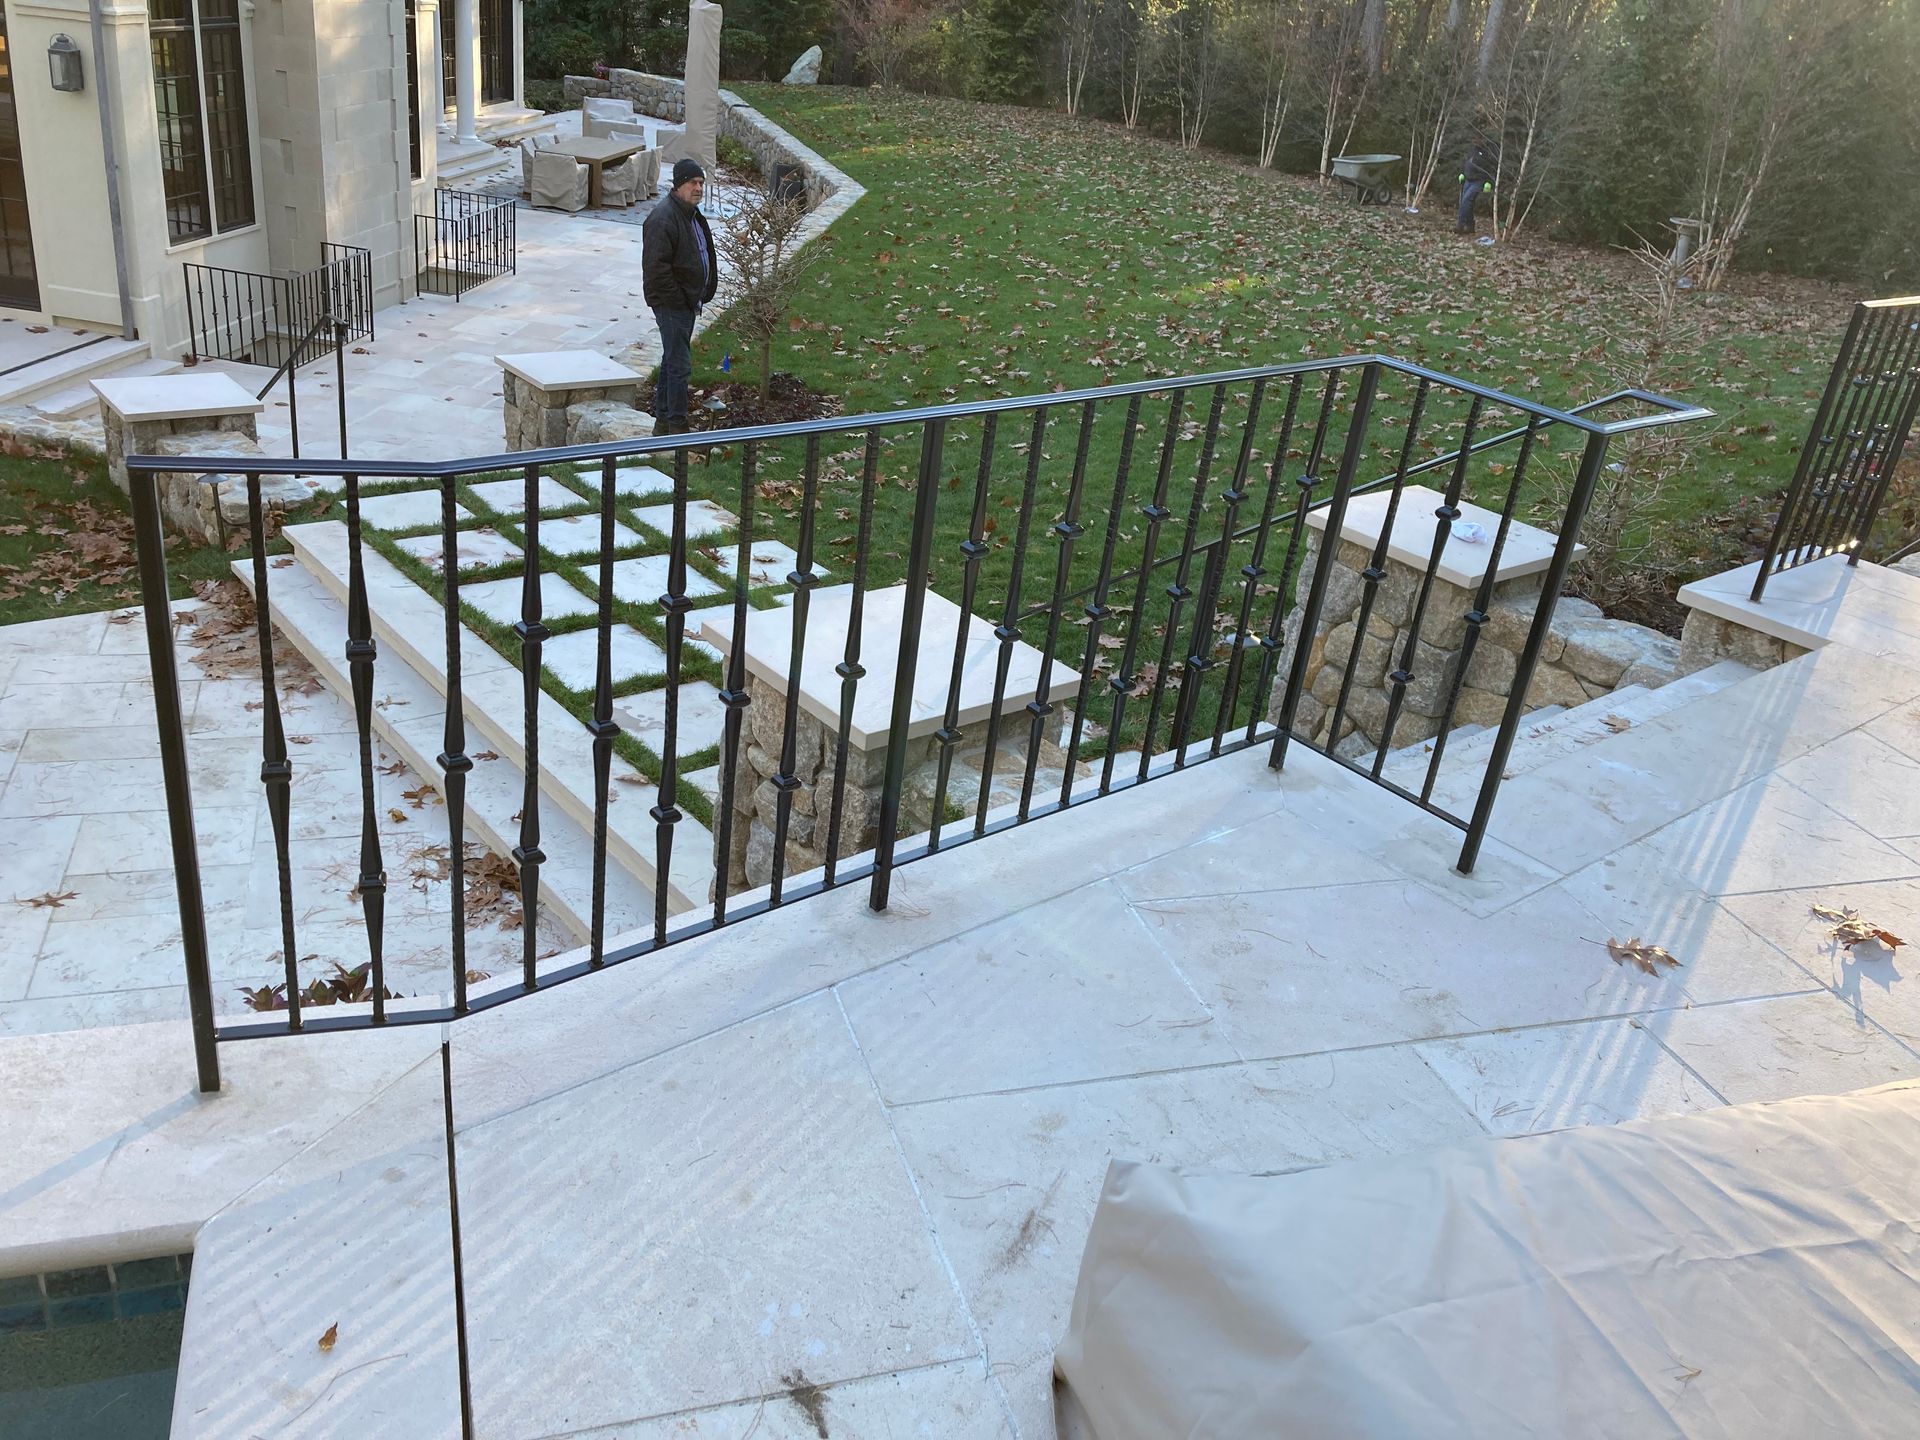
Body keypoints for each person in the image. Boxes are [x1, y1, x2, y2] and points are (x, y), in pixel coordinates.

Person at [642, 158, 719, 436]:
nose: (698, 188)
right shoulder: (662, 219)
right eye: (692, 183)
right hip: (672, 304)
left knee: (672, 360)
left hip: (686, 302)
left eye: (700, 183)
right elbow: (655, 270)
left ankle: (662, 423)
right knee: (680, 364)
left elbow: (702, 253)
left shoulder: (692, 214)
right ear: (678, 185)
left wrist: (702, 292)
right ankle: (677, 425)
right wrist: (679, 299)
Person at [1457, 142, 1496, 237]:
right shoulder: (1472, 150)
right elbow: (1466, 162)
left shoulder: (1488, 153)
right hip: (1468, 179)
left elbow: (1492, 168)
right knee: (1466, 203)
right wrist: (1462, 173)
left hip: (1479, 181)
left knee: (1466, 201)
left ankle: (1460, 225)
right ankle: (1470, 226)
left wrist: (1489, 182)